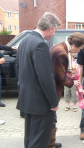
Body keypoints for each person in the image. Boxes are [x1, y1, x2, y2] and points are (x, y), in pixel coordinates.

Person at [16, 12, 60, 148]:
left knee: (30, 139)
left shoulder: (25, 41)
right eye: (55, 30)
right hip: (40, 104)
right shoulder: (40, 44)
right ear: (51, 28)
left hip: (27, 100)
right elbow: (46, 77)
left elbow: (18, 68)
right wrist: (54, 102)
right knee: (38, 142)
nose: (54, 34)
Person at [49, 32, 84, 148]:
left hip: (51, 89)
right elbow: (60, 77)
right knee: (51, 118)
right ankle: (50, 144)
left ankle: (51, 142)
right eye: (80, 48)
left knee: (51, 118)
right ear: (74, 45)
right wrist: (73, 82)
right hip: (52, 90)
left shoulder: (60, 47)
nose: (80, 51)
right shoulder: (61, 53)